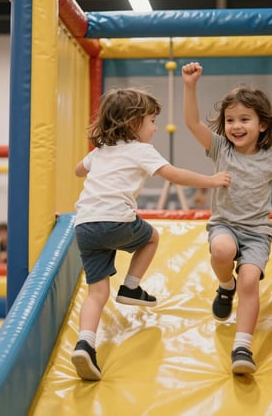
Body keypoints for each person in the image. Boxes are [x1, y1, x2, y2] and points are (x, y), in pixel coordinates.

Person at [71, 87, 230, 381]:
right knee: (151, 237)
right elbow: (174, 175)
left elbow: (78, 170)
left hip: (85, 226)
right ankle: (131, 286)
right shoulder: (141, 150)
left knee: (97, 293)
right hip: (116, 221)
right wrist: (211, 180)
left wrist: (91, 164)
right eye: (152, 122)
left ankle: (85, 344)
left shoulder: (101, 151)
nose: (155, 128)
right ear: (133, 123)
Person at [182, 61, 272, 375]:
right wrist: (190, 85)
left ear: (261, 124)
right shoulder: (221, 149)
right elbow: (192, 122)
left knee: (250, 281)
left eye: (244, 119)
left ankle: (242, 347)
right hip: (225, 225)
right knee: (222, 251)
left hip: (257, 233)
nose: (236, 126)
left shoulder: (271, 157)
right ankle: (224, 285)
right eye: (230, 119)